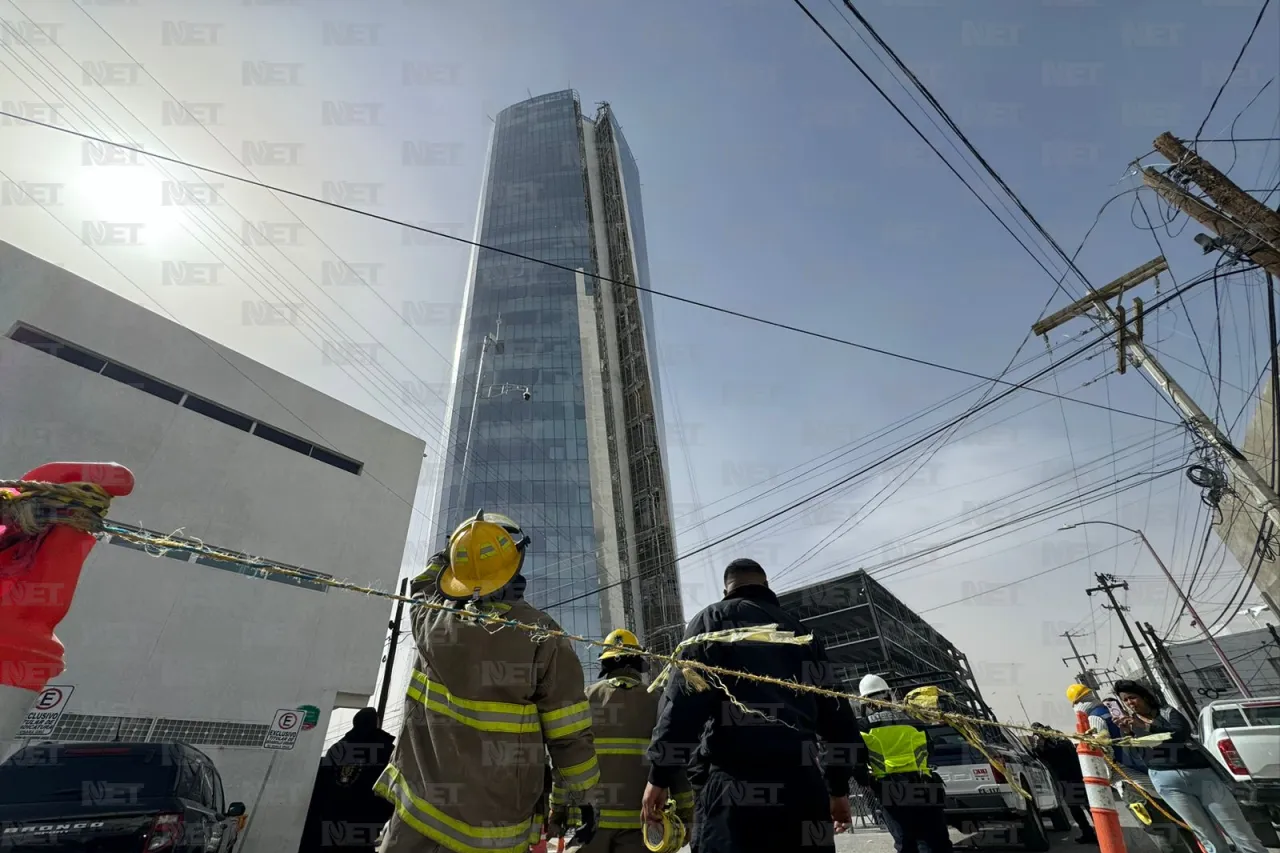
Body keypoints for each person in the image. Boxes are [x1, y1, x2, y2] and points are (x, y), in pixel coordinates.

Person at [374, 510, 600, 853]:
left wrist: (457, 548)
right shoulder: (541, 635)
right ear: (517, 560)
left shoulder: (431, 618)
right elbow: (568, 733)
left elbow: (423, 583)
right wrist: (580, 798)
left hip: (417, 816)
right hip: (495, 826)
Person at [642, 558, 863, 853]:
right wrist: (837, 789)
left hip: (734, 792)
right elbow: (839, 719)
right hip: (801, 788)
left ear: (726, 590)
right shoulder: (802, 635)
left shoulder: (711, 623)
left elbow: (682, 705)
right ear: (767, 586)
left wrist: (660, 776)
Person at [554, 629, 693, 853]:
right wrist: (687, 813)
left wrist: (557, 808)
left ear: (605, 666)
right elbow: (674, 762)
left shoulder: (585, 698)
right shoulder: (658, 701)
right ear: (638, 664)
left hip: (589, 827)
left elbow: (566, 759)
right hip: (640, 828)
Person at [1113, 679, 1267, 853]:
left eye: (1132, 698)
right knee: (1205, 834)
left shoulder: (1166, 713)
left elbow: (1180, 734)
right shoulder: (1130, 724)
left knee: (1236, 827)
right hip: (1167, 782)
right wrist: (1128, 734)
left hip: (1200, 775)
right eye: (1125, 700)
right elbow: (1133, 757)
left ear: (1145, 697)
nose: (1130, 703)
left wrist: (1148, 727)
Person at [855, 675, 954, 853]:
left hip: (892, 792)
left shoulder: (862, 726)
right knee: (937, 842)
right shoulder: (913, 720)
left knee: (907, 844)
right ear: (888, 695)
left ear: (866, 702)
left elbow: (857, 759)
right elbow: (929, 749)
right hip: (925, 787)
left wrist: (865, 781)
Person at [297, 708, 397, 853]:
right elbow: (390, 786)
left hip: (328, 826)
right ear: (376, 723)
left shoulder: (337, 748)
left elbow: (320, 785)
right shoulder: (386, 750)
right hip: (362, 826)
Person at [1028, 724, 1096, 845]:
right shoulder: (1057, 738)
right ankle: (1089, 833)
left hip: (1070, 778)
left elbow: (1051, 754)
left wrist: (1041, 744)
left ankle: (1096, 832)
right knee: (1080, 808)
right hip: (1071, 777)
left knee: (1082, 808)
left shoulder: (1055, 741)